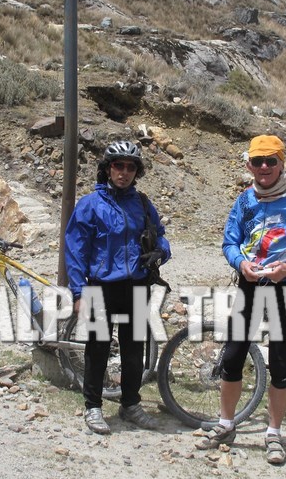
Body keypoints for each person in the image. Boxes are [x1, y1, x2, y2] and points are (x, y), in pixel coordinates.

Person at [196, 134, 286, 464]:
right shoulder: (245, 201)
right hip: (249, 285)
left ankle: (273, 433)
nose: (264, 167)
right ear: (248, 165)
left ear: (282, 162)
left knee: (280, 362)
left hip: (285, 287)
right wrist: (239, 262)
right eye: (257, 161)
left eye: (271, 160)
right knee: (232, 357)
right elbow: (230, 242)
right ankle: (226, 424)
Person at [64, 140, 171, 434]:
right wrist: (78, 292)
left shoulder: (143, 204)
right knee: (97, 348)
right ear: (107, 169)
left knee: (134, 349)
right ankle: (93, 407)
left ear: (137, 172)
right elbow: (75, 251)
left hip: (137, 285)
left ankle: (131, 404)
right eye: (118, 165)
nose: (124, 172)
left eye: (130, 167)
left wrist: (161, 251)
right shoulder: (89, 206)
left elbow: (161, 236)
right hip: (101, 287)